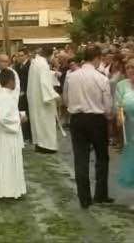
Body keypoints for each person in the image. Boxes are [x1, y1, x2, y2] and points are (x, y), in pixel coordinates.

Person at [65, 45, 113, 209]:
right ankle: (100, 194)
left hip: (77, 118)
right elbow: (107, 104)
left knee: (81, 158)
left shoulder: (72, 76)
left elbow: (66, 97)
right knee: (101, 157)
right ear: (97, 58)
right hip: (96, 118)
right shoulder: (101, 78)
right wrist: (107, 116)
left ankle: (84, 198)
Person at [0, 68, 26, 199]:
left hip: (7, 135)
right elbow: (3, 117)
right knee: (6, 162)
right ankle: (6, 191)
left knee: (9, 162)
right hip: (6, 135)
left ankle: (10, 189)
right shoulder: (4, 97)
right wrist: (19, 118)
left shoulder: (0, 96)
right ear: (11, 81)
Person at [27, 47, 60, 154]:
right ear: (50, 55)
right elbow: (44, 83)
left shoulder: (36, 62)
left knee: (38, 122)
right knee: (45, 122)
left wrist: (52, 74)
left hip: (35, 98)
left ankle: (39, 143)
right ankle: (48, 146)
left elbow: (41, 76)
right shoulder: (43, 65)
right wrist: (53, 95)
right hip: (43, 100)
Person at [115, 56, 134, 211]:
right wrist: (120, 115)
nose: (130, 70)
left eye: (133, 68)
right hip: (130, 129)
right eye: (128, 67)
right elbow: (118, 106)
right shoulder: (122, 85)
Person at [14, 48, 32, 142]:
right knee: (22, 113)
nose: (19, 58)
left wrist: (25, 90)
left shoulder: (30, 66)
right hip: (19, 93)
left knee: (29, 113)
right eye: (18, 56)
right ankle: (24, 133)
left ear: (26, 56)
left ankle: (30, 134)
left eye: (21, 55)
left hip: (28, 92)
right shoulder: (17, 66)